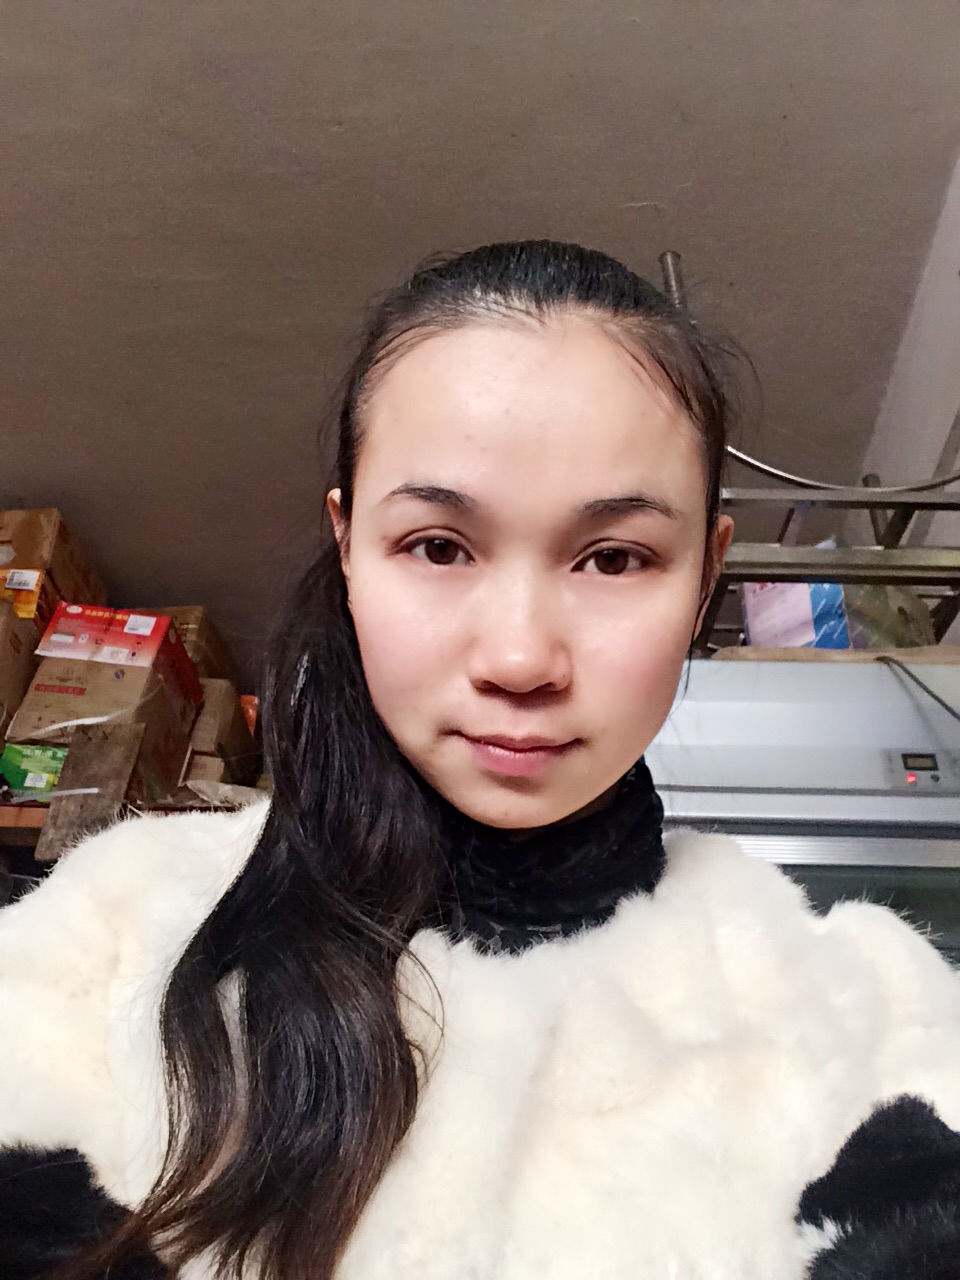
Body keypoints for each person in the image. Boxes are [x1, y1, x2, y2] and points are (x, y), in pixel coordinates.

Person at [1, 240, 959, 1280]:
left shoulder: (858, 1020)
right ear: (349, 546)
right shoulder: (106, 942)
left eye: (614, 558)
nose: (519, 658)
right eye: (439, 547)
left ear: (706, 579)